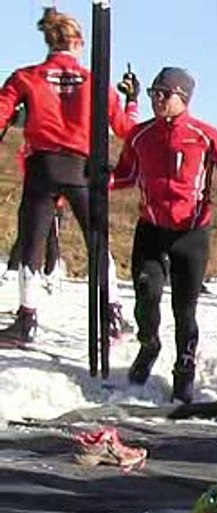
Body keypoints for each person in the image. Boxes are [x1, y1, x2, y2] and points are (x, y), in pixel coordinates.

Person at [109, 67, 217, 402]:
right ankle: (148, 345)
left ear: (182, 98)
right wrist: (99, 179)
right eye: (153, 92)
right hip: (152, 228)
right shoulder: (140, 136)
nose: (156, 99)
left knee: (184, 308)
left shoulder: (203, 135)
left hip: (192, 231)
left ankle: (184, 369)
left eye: (163, 94)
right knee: (146, 295)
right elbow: (125, 175)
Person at [0, 7, 139, 347]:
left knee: (32, 243)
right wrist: (132, 101)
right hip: (83, 169)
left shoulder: (25, 77)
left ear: (49, 41)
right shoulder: (97, 81)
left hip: (42, 169)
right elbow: (125, 128)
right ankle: (112, 314)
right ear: (77, 42)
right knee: (98, 243)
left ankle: (27, 319)